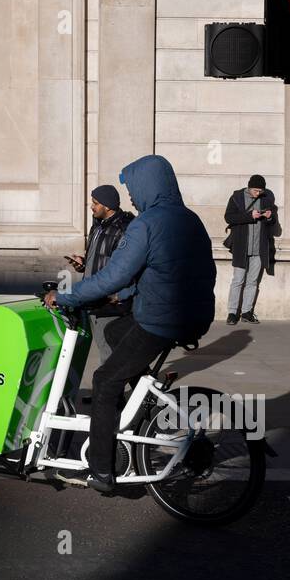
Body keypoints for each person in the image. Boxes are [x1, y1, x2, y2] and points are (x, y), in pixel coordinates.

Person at [45, 155, 216, 494]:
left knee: (105, 380)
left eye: (133, 189)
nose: (133, 198)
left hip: (161, 320)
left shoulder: (147, 223)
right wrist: (124, 293)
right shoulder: (190, 219)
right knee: (114, 332)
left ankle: (101, 472)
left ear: (148, 185)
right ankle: (143, 404)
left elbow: (114, 274)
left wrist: (66, 296)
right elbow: (164, 270)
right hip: (193, 316)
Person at [63, 184, 135, 369]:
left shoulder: (124, 229)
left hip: (109, 302)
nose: (91, 206)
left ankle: (111, 397)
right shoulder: (98, 225)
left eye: (95, 203)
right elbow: (100, 259)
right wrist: (84, 263)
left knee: (109, 352)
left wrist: (117, 296)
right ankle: (114, 394)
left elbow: (125, 267)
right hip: (93, 296)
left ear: (108, 206)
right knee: (109, 350)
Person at [223, 174, 279, 325]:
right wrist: (249, 216)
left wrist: (269, 217)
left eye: (260, 190)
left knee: (253, 281)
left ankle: (247, 312)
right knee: (238, 280)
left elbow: (273, 223)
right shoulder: (237, 198)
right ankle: (232, 313)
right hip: (241, 246)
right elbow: (228, 217)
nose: (258, 193)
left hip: (259, 248)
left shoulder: (266, 199)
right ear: (249, 187)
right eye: (255, 190)